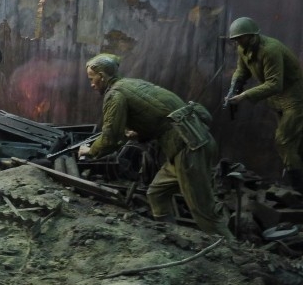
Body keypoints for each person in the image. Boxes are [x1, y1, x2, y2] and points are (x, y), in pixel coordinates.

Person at [78, 53, 233, 239]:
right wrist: (139, 133)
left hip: (188, 149)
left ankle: (231, 251)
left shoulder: (114, 95)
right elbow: (160, 117)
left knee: (204, 211)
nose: (91, 84)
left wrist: (90, 150)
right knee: (157, 193)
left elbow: (111, 137)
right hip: (192, 142)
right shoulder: (132, 84)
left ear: (102, 76)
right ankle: (172, 238)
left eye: (92, 79)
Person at [224, 16, 303, 192]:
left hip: (295, 99)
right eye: (235, 39)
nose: (237, 42)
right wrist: (233, 88)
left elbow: (275, 83)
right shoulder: (243, 48)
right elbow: (241, 71)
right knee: (297, 144)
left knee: (284, 141)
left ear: (252, 36)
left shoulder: (270, 50)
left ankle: (298, 190)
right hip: (277, 100)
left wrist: (244, 95)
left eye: (240, 38)